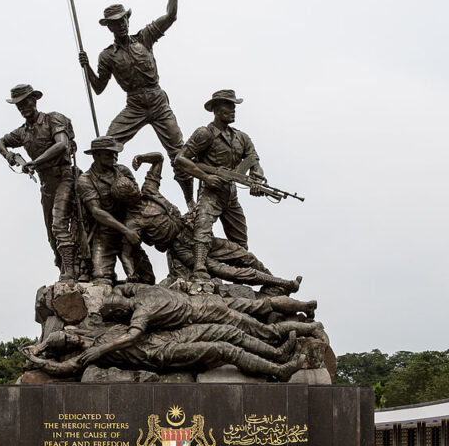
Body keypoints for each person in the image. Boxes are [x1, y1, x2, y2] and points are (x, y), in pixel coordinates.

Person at [79, 0, 195, 207]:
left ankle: (190, 203)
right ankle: (107, 192)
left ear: (127, 20)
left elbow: (171, 16)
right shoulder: (107, 56)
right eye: (115, 22)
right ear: (109, 27)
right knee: (107, 143)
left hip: (157, 101)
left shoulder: (145, 38)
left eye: (123, 20)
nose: (121, 24)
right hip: (134, 105)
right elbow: (99, 88)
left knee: (179, 154)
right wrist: (87, 67)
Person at [112, 152, 302, 293]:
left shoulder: (149, 190)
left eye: (133, 187)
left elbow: (159, 159)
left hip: (192, 231)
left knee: (242, 254)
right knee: (228, 272)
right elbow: (126, 253)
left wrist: (142, 158)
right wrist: (130, 274)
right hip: (181, 249)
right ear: (125, 200)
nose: (135, 191)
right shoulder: (132, 222)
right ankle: (284, 283)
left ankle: (274, 284)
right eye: (130, 193)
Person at [176, 89, 266, 279]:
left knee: (240, 239)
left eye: (234, 106)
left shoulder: (242, 138)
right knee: (202, 227)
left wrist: (256, 179)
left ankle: (243, 278)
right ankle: (199, 268)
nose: (233, 109)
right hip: (211, 192)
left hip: (230, 195)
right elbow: (181, 159)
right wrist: (206, 177)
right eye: (229, 105)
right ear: (216, 109)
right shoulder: (204, 134)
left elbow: (254, 162)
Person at [0, 84, 78, 282]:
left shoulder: (52, 119)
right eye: (19, 105)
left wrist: (36, 162)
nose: (23, 107)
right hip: (47, 184)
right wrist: (9, 155)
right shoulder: (23, 132)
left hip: (65, 178)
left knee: (59, 225)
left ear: (34, 100)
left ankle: (71, 272)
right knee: (51, 234)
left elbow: (62, 145)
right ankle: (62, 269)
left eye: (25, 102)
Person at [23, 323, 304, 381]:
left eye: (68, 333)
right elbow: (62, 369)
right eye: (67, 338)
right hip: (165, 354)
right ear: (69, 345)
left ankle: (277, 353)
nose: (71, 335)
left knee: (227, 331)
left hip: (169, 335)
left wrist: (41, 344)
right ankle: (279, 370)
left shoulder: (97, 331)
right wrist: (37, 358)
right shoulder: (89, 354)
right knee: (223, 349)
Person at [100, 283, 320, 345]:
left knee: (266, 333)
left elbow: (131, 337)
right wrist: (113, 294)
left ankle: (311, 328)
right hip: (210, 300)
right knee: (265, 305)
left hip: (211, 315)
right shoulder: (143, 291)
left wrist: (101, 349)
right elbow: (122, 289)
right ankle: (304, 305)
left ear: (120, 312)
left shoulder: (141, 313)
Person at [75, 136, 153, 285]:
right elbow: (97, 212)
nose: (114, 157)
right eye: (109, 154)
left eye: (115, 153)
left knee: (147, 278)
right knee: (101, 278)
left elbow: (137, 198)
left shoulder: (123, 171)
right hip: (105, 235)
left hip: (130, 229)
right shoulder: (85, 180)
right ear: (96, 155)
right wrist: (125, 231)